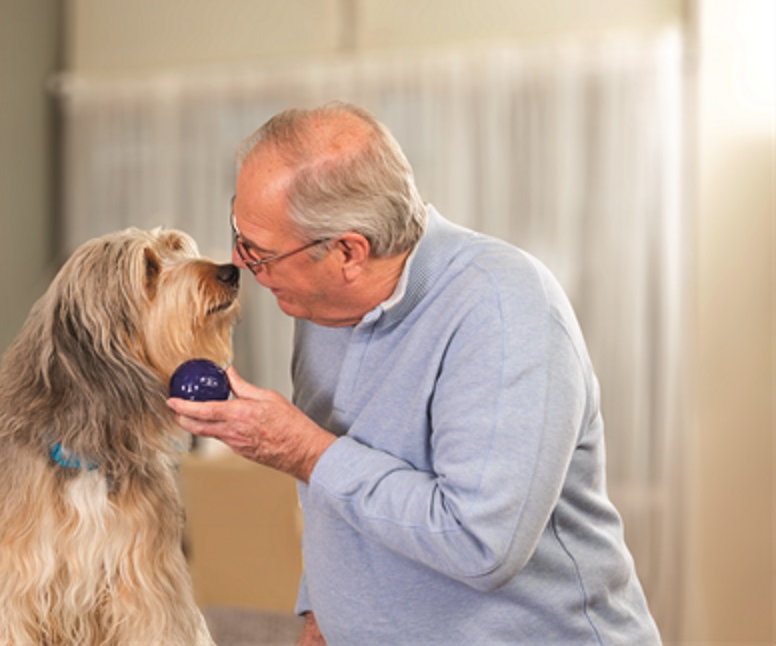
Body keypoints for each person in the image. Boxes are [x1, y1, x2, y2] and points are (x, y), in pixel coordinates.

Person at [167, 101, 661, 645]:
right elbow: (337, 494)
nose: (242, 265)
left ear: (348, 253)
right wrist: (320, 612)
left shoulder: (504, 311)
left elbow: (480, 543)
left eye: (259, 252)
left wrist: (305, 449)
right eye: (239, 232)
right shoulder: (321, 307)